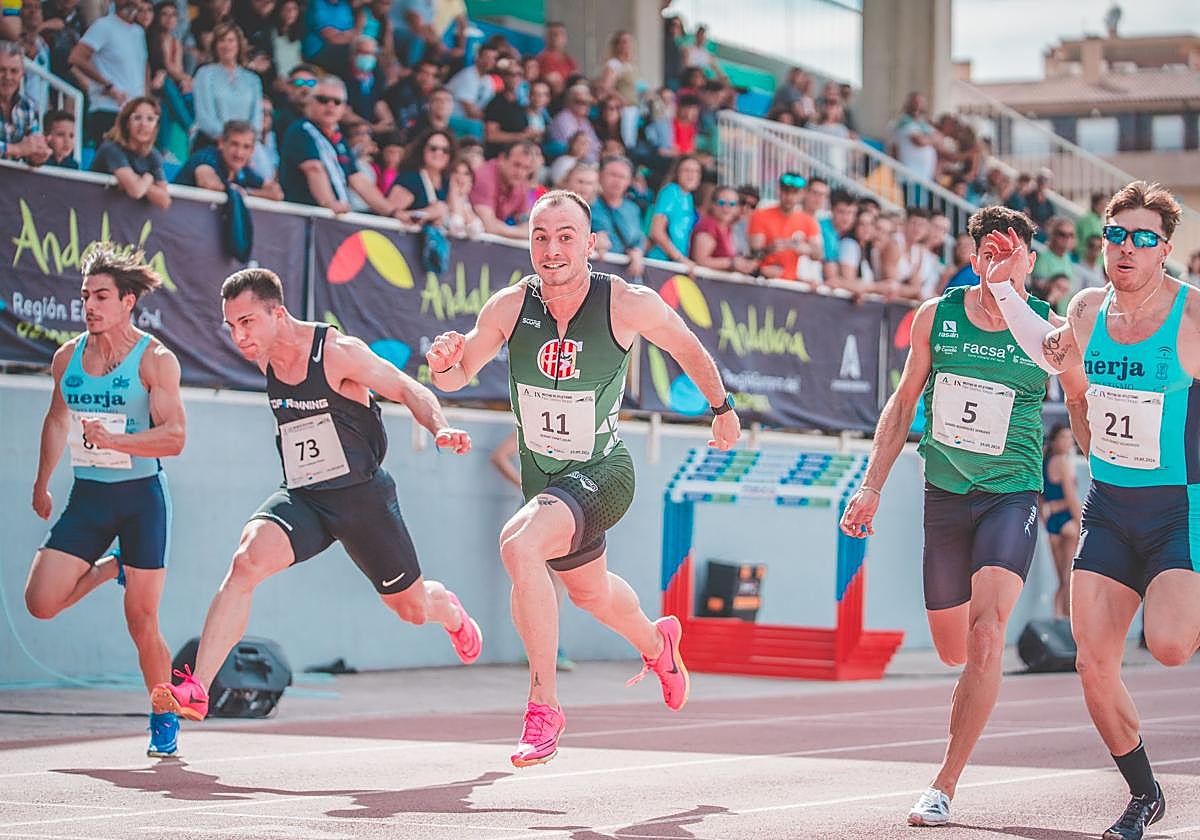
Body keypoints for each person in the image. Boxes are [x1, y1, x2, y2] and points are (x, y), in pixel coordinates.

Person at [426, 189, 741, 767]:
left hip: (602, 470)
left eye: (565, 236)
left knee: (519, 545)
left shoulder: (625, 302)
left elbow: (686, 346)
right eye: (540, 237)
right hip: (544, 479)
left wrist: (722, 408)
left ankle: (543, 706)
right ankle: (657, 644)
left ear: (590, 243)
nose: (552, 249)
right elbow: (459, 373)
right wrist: (445, 362)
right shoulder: (507, 306)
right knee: (591, 592)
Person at [839, 205, 1089, 828]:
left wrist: (1109, 469)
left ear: (1031, 261)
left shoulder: (1049, 332)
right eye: (990, 251)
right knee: (953, 648)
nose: (1002, 263)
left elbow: (1082, 403)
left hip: (1011, 494)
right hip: (945, 496)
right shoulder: (937, 315)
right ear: (973, 255)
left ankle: (944, 784)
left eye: (1015, 253)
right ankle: (962, 708)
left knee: (986, 637)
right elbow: (902, 405)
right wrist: (871, 486)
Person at [151, 267, 483, 723]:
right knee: (245, 562)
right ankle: (198, 689)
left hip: (362, 500)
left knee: (410, 609)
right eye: (231, 326)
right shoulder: (263, 355)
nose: (239, 336)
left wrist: (441, 429)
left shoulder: (337, 354)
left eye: (248, 322)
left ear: (279, 313)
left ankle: (448, 611)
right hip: (305, 497)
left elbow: (407, 388)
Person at [981, 181, 1199, 840]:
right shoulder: (1083, 311)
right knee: (1092, 663)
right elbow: (1050, 356)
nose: (1126, 248)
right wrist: (1004, 291)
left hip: (1178, 509)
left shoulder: (1191, 318)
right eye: (1116, 235)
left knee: (1167, 648)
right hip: (1107, 505)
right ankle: (1143, 794)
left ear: (1165, 249)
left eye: (1142, 238)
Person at [26, 242, 186, 758]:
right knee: (41, 602)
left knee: (142, 621)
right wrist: (42, 482)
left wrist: (117, 441)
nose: (89, 306)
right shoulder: (67, 357)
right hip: (89, 496)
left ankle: (163, 713)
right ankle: (108, 568)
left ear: (128, 302)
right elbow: (56, 418)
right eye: (84, 297)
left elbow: (175, 438)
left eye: (100, 296)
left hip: (141, 498)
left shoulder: (155, 360)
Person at [279, 76, 401, 216]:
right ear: (309, 102)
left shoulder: (338, 138)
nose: (330, 105)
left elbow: (357, 179)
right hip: (304, 218)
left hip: (328, 218)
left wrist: (393, 212)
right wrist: (329, 203)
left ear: (344, 108)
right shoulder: (301, 130)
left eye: (337, 102)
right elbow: (314, 168)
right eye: (323, 100)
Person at [68, 0, 148, 147]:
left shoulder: (139, 32)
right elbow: (77, 57)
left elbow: (142, 69)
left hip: (135, 114)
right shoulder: (103, 26)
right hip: (108, 110)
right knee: (111, 165)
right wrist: (108, 85)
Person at [90, 96, 172, 210]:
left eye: (150, 119)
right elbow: (136, 191)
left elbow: (164, 201)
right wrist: (148, 179)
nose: (144, 124)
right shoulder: (111, 148)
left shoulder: (153, 154)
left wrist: (139, 182)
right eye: (137, 118)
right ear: (127, 123)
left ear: (156, 126)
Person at [192, 22, 263, 150]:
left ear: (239, 44)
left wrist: (245, 141)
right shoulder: (204, 74)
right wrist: (229, 140)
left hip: (245, 147)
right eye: (222, 40)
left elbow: (257, 118)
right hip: (212, 144)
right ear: (215, 45)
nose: (227, 45)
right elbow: (204, 117)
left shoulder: (253, 79)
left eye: (231, 40)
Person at [174, 119, 283, 199]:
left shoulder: (243, 170)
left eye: (246, 147)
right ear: (221, 143)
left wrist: (247, 192)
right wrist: (235, 191)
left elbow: (276, 193)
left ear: (252, 151)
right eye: (234, 144)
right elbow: (208, 183)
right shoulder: (206, 157)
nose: (239, 153)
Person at [748, 172, 821, 282]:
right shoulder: (760, 215)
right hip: (762, 279)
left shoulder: (808, 221)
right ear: (779, 191)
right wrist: (769, 249)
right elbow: (753, 253)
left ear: (802, 194)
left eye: (794, 192)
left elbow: (818, 254)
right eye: (785, 191)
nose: (789, 197)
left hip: (789, 282)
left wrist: (806, 248)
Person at [1041, 423, 1081, 619]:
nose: (1069, 441)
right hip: (1067, 522)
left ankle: (1058, 618)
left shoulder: (1044, 461)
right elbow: (1072, 498)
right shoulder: (1063, 463)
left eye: (1070, 438)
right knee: (1068, 579)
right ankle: (1066, 622)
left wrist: (1047, 512)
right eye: (1064, 437)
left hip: (1052, 524)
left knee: (1062, 580)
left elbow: (1040, 497)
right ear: (1055, 441)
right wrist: (1083, 525)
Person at [469, 139, 536, 240]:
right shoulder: (485, 176)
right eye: (516, 165)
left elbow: (525, 222)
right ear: (502, 159)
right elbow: (489, 226)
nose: (520, 173)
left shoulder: (520, 182)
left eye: (526, 168)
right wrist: (523, 233)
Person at [591, 154, 645, 280]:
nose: (617, 181)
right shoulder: (589, 203)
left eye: (622, 177)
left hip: (625, 277)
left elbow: (638, 239)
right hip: (596, 274)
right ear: (600, 175)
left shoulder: (633, 209)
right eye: (612, 175)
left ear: (629, 181)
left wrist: (637, 251)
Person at [646, 154, 702, 269]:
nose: (691, 175)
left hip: (675, 264)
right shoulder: (671, 191)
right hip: (660, 262)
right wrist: (680, 259)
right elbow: (656, 231)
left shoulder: (689, 197)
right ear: (677, 173)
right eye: (686, 170)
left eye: (696, 171)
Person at [387, 128, 453, 223]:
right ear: (422, 150)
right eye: (433, 148)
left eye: (445, 150)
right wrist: (428, 213)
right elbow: (390, 216)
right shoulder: (411, 179)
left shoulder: (446, 181)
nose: (439, 153)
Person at [691, 186, 759, 275]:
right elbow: (700, 260)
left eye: (732, 204)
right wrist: (731, 263)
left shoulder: (728, 228)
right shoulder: (708, 226)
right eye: (721, 202)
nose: (726, 208)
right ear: (713, 205)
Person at [0, 40, 49, 164]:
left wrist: (39, 154)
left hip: (14, 182)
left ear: (22, 73)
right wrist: (17, 149)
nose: (8, 77)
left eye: (14, 71)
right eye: (1, 70)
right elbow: (21, 149)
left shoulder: (28, 107)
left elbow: (33, 147)